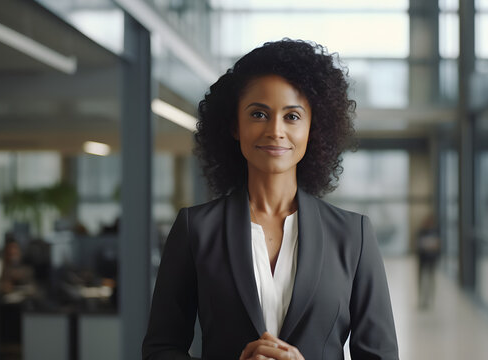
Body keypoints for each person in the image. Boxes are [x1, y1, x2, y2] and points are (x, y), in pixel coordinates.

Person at [142, 39, 398, 360]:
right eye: (259, 114)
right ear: (235, 125)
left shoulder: (353, 235)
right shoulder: (196, 229)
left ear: (311, 129)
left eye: (292, 116)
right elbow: (160, 350)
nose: (275, 130)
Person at [416, 215, 440, 310]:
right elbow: (420, 245)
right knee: (423, 281)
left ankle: (430, 300)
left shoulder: (436, 232)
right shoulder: (422, 232)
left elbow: (437, 246)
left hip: (432, 261)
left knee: (431, 280)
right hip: (423, 261)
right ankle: (423, 300)